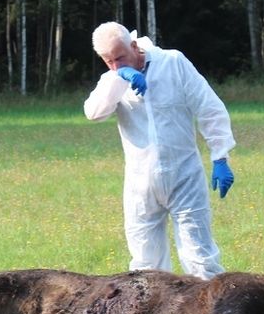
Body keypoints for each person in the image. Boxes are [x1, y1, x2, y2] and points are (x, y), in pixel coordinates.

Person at [83, 21, 236, 279]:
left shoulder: (173, 63)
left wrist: (220, 156)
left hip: (184, 175)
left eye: (120, 57)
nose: (115, 65)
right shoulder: (112, 80)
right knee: (145, 266)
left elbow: (209, 108)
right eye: (108, 61)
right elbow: (94, 112)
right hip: (140, 183)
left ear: (134, 45)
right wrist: (119, 79)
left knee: (200, 259)